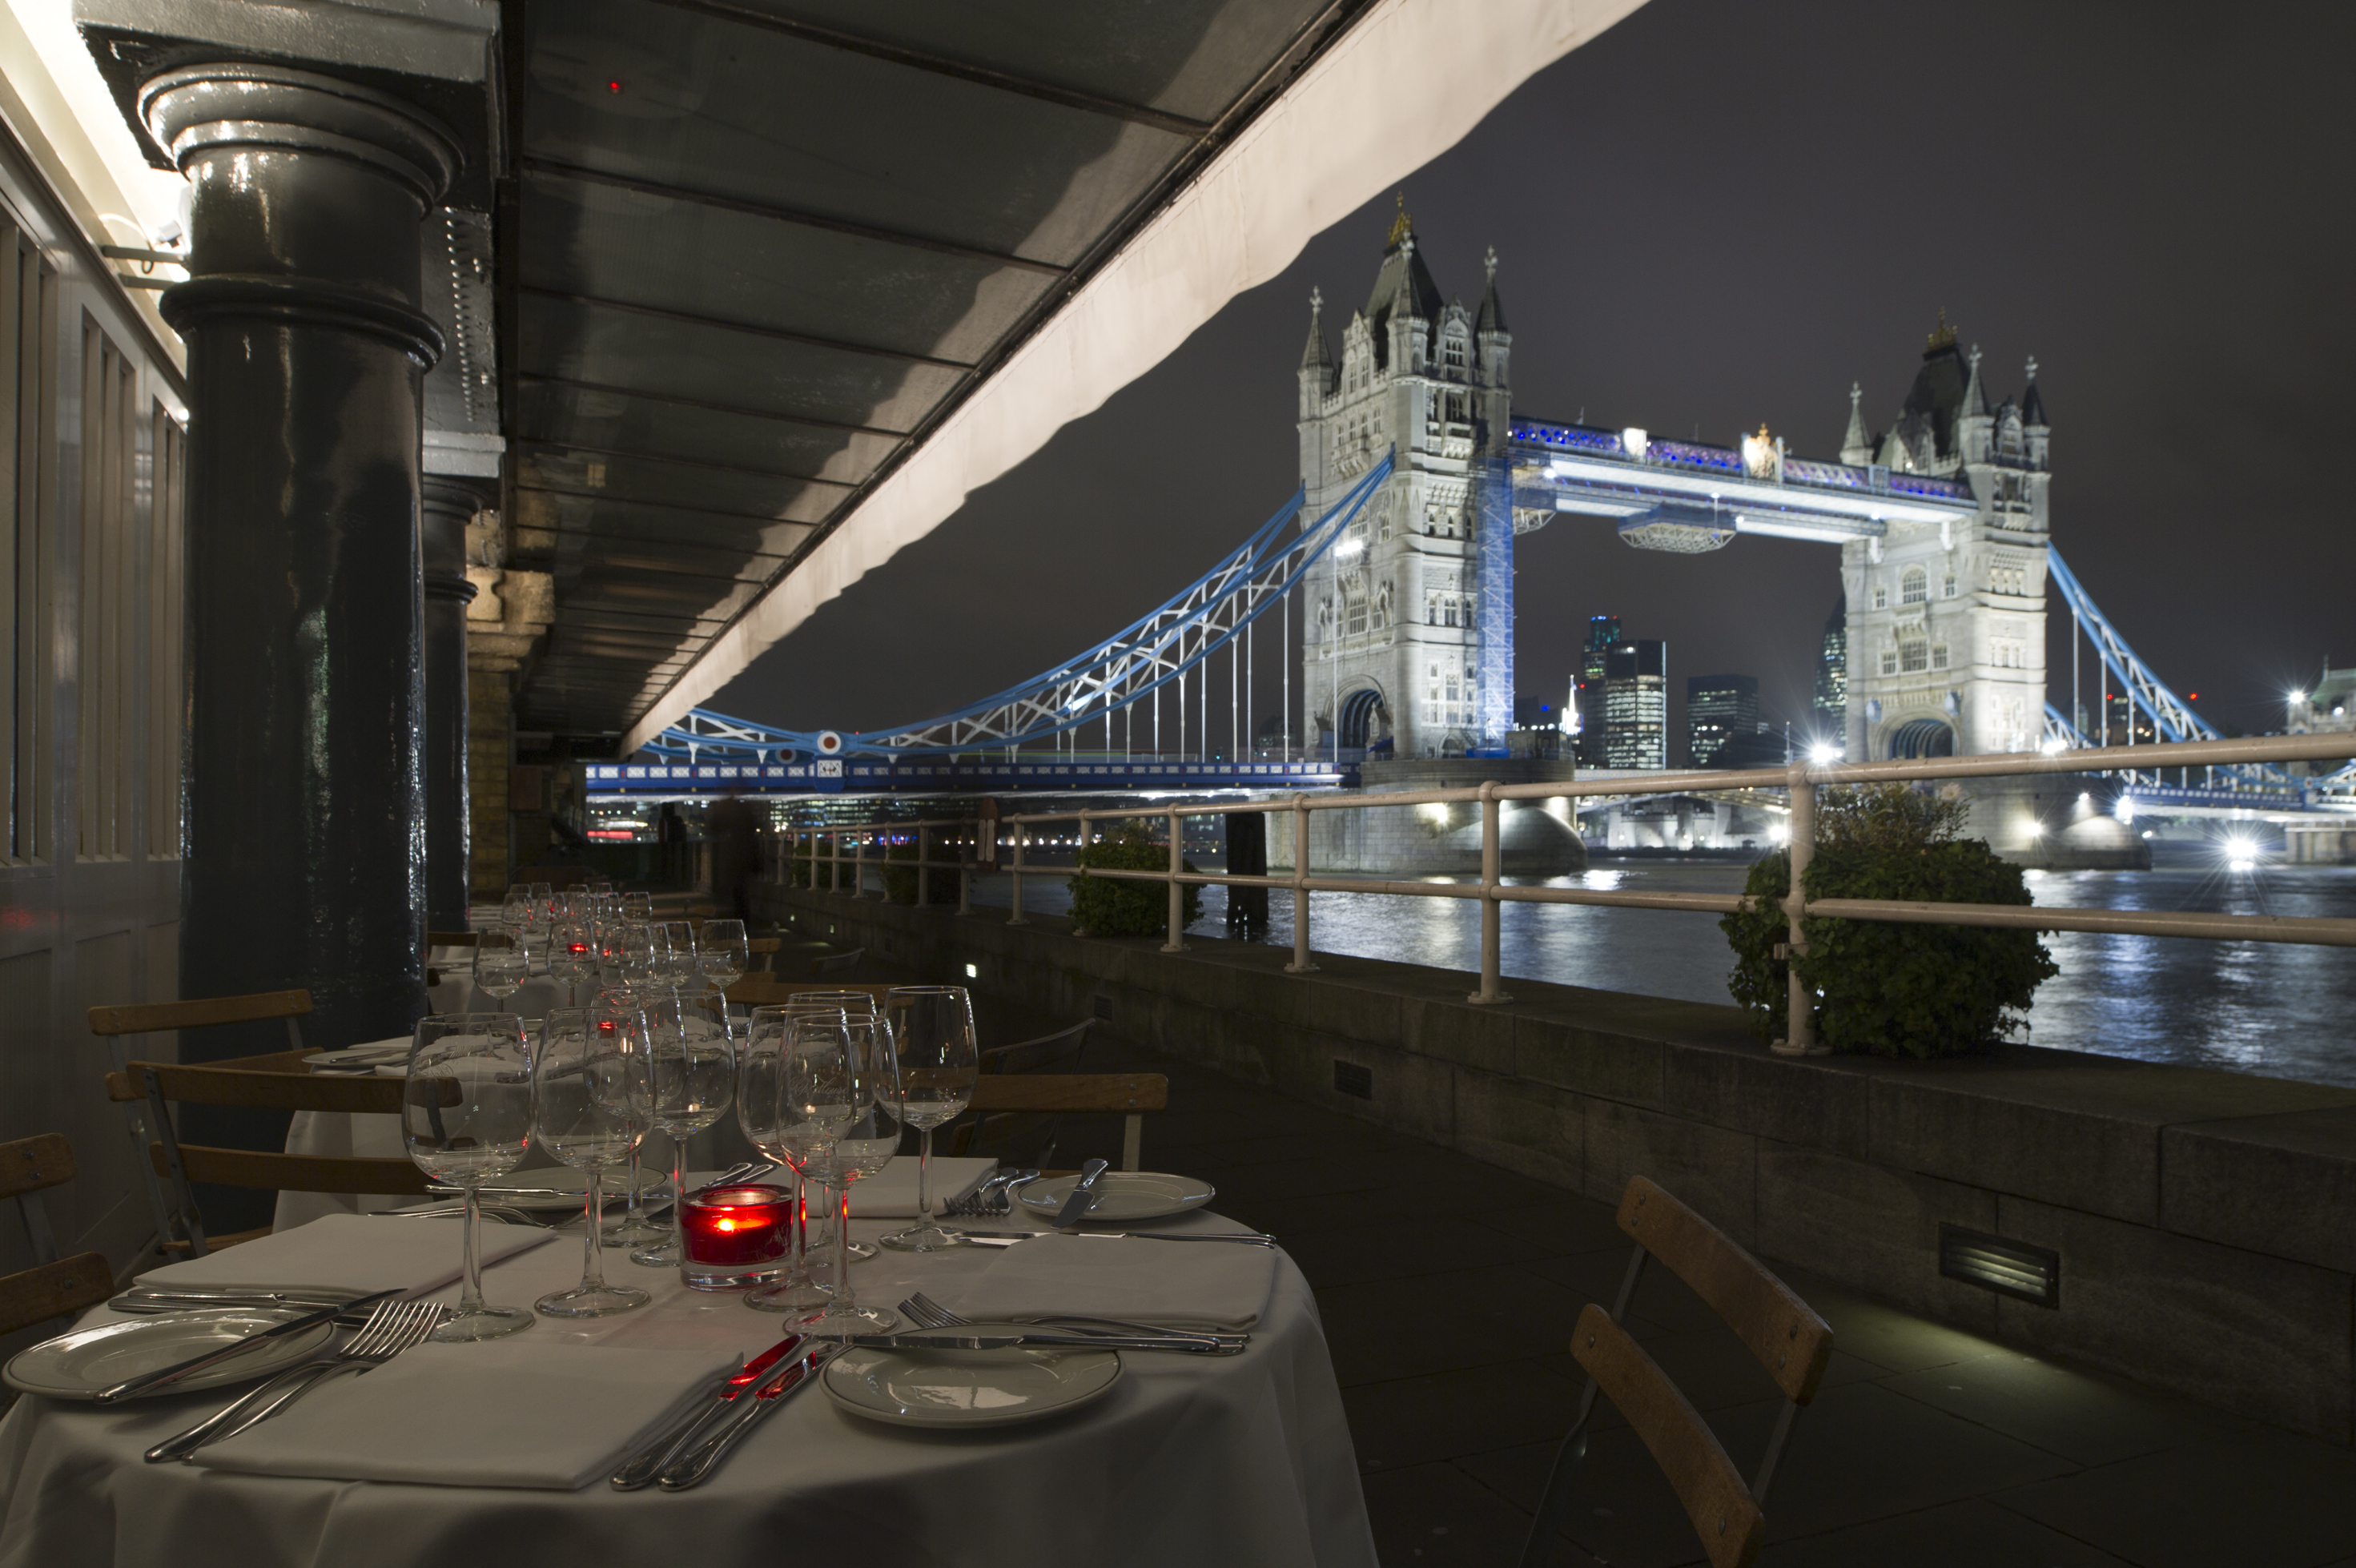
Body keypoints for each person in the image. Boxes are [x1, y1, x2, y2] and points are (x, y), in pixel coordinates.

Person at [704, 788, 761, 920]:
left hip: (733, 857)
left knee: (736, 892)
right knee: (741, 892)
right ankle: (742, 921)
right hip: (744, 856)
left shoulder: (725, 808)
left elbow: (713, 829)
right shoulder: (745, 807)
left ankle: (737, 921)